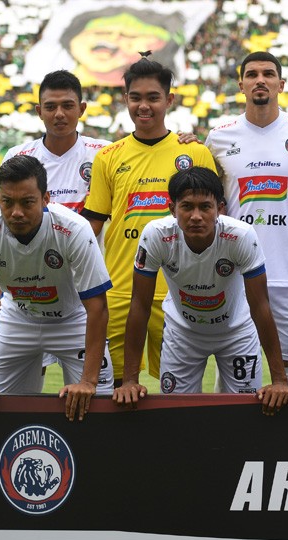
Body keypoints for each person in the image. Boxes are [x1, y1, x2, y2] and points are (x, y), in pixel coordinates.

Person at [0, 155, 113, 540]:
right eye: (8, 202)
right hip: (17, 320)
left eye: (27, 202)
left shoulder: (72, 230)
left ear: (46, 198)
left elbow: (97, 309)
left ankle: (104, 505)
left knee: (103, 412)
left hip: (72, 321)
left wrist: (89, 381)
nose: (17, 212)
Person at [82, 54, 217, 387]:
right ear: (125, 99)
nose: (144, 106)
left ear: (169, 100)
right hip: (119, 289)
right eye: (136, 97)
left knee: (176, 391)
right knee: (113, 389)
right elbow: (92, 225)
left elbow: (215, 221)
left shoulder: (195, 153)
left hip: (178, 291)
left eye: (153, 97)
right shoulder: (108, 157)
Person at [113, 167, 288, 414]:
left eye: (205, 207)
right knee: (176, 417)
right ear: (172, 208)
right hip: (183, 334)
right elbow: (140, 306)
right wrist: (130, 379)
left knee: (243, 415)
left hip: (236, 333)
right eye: (187, 206)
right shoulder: (155, 235)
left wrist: (280, 380)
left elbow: (261, 307)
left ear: (219, 208)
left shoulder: (241, 236)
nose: (196, 216)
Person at [205, 51, 288, 386]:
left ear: (280, 84)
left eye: (268, 74)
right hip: (235, 273)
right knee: (235, 370)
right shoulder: (218, 137)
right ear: (241, 84)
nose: (261, 80)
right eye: (253, 74)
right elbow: (208, 198)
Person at [0, 69, 113, 377]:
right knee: (27, 385)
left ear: (82, 109)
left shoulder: (105, 155)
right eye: (50, 106)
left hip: (84, 290)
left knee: (94, 390)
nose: (59, 114)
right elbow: (4, 224)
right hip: (32, 289)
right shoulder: (19, 155)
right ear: (39, 111)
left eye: (68, 105)